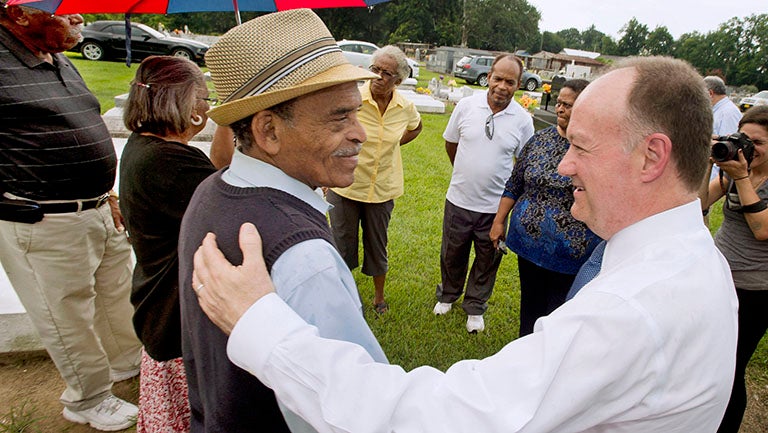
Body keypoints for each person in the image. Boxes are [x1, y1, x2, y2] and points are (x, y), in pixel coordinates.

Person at [191, 56, 738, 433]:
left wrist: (261, 326)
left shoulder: (629, 311)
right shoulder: (690, 261)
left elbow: (442, 419)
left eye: (581, 147)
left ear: (652, 156)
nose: (563, 165)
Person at [176, 9, 387, 433]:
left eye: (357, 113)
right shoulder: (307, 260)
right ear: (268, 131)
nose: (360, 133)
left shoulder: (212, 190)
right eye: (340, 117)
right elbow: (357, 413)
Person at [0, 3, 142, 431]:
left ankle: (126, 364)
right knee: (66, 315)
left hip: (98, 205)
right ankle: (87, 398)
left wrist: (107, 192)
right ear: (22, 14)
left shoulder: (55, 57)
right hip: (43, 219)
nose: (79, 18)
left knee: (114, 293)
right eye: (65, 12)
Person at [118, 56, 219, 433]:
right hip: (175, 314)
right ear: (186, 104)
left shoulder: (144, 147)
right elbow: (229, 201)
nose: (207, 107)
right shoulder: (169, 162)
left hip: (158, 302)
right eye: (204, 98)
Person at [489, 79, 601, 337]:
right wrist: (499, 221)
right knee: (530, 304)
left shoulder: (595, 150)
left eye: (568, 105)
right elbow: (515, 182)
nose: (560, 109)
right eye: (559, 103)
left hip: (572, 253)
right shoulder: (539, 140)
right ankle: (526, 348)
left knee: (560, 314)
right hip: (528, 246)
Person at [435, 54, 534, 333]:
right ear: (489, 76)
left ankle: (476, 306)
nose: (502, 86)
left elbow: (523, 164)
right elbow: (451, 144)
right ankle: (448, 296)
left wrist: (504, 209)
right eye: (498, 78)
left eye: (510, 81)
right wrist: (466, 172)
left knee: (487, 259)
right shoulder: (466, 106)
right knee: (452, 253)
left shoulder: (523, 120)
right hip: (459, 199)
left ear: (518, 85)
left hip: (494, 209)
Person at [327, 45, 422, 314]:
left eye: (386, 73)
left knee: (377, 245)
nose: (379, 76)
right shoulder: (353, 99)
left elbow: (416, 127)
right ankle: (342, 298)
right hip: (347, 184)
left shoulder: (405, 107)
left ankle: (379, 298)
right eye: (375, 70)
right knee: (342, 244)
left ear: (399, 80)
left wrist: (393, 146)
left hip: (382, 187)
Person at [701, 106, 768, 433]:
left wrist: (741, 177)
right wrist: (706, 167)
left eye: (759, 142)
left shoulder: (743, 175)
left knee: (732, 366)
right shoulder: (732, 173)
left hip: (756, 290)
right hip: (719, 279)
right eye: (744, 138)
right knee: (708, 360)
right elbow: (700, 204)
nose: (750, 148)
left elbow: (761, 229)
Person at [704, 76, 742, 182]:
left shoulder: (728, 113)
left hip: (717, 179)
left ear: (710, 93)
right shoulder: (720, 111)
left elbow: (727, 150)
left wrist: (713, 182)